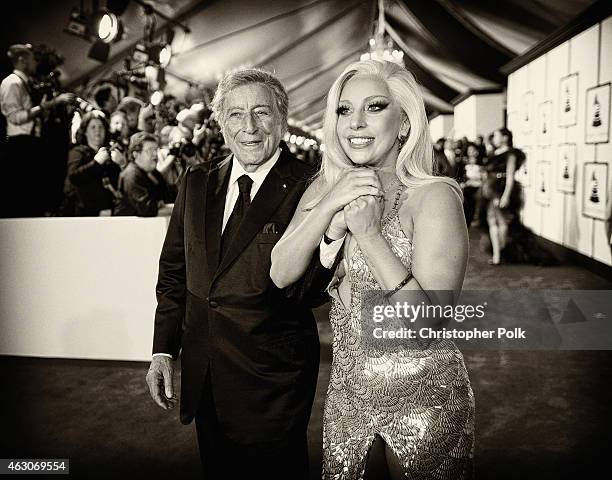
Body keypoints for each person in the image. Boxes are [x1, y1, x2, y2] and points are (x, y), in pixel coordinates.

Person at [271, 59, 474, 479]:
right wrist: (330, 203)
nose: (355, 123)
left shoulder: (434, 196)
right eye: (344, 110)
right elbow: (280, 272)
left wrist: (369, 235)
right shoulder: (325, 185)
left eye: (375, 107)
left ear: (404, 123)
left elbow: (429, 323)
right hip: (348, 396)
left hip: (424, 398)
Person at [145, 68, 335, 479]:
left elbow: (309, 292)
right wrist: (163, 349)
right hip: (204, 376)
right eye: (235, 115)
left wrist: (331, 238)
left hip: (272, 383)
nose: (248, 127)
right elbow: (175, 274)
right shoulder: (195, 183)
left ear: (281, 121)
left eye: (261, 113)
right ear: (220, 122)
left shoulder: (311, 186)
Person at [0, 43, 73, 217]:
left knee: (34, 195)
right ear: (22, 60)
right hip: (20, 145)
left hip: (31, 143)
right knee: (23, 196)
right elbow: (15, 117)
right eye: (32, 59)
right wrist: (46, 106)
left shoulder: (26, 83)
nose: (35, 63)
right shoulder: (12, 83)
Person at [63, 110, 122, 216]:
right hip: (84, 214)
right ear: (85, 131)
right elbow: (74, 177)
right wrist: (96, 163)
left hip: (109, 213)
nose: (97, 131)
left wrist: (122, 164)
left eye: (101, 127)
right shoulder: (77, 152)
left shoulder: (111, 153)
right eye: (93, 127)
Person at [482, 127, 523, 265]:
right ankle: (497, 255)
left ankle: (502, 251)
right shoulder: (494, 153)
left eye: (497, 136)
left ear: (505, 138)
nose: (494, 139)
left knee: (502, 222)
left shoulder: (510, 154)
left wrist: (506, 195)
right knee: (492, 222)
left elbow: (510, 177)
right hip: (490, 189)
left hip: (500, 189)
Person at [113, 132, 174, 216]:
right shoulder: (131, 175)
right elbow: (148, 209)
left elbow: (168, 197)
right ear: (136, 154)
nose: (155, 154)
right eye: (149, 150)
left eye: (156, 150)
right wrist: (176, 211)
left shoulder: (154, 173)